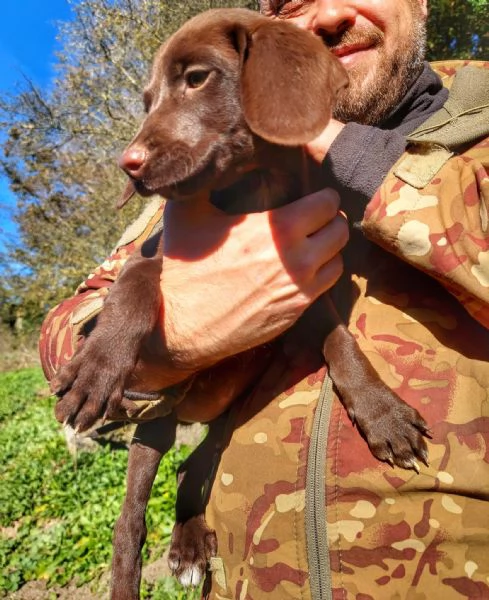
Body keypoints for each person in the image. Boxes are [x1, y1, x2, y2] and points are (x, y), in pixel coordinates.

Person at [39, 0, 489, 598]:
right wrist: (178, 340)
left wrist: (346, 151)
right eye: (290, 5)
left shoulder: (476, 120)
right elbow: (68, 348)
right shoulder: (216, 171)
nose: (326, 14)